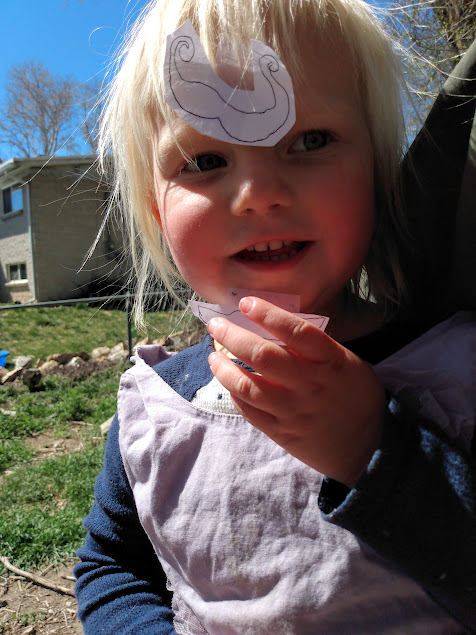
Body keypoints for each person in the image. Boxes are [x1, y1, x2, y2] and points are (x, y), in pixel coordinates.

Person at [74, 0, 476, 632]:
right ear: (157, 212)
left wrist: (375, 450)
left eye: (310, 141)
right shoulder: (155, 412)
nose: (259, 194)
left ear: (377, 174)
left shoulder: (454, 370)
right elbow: (115, 567)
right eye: (205, 162)